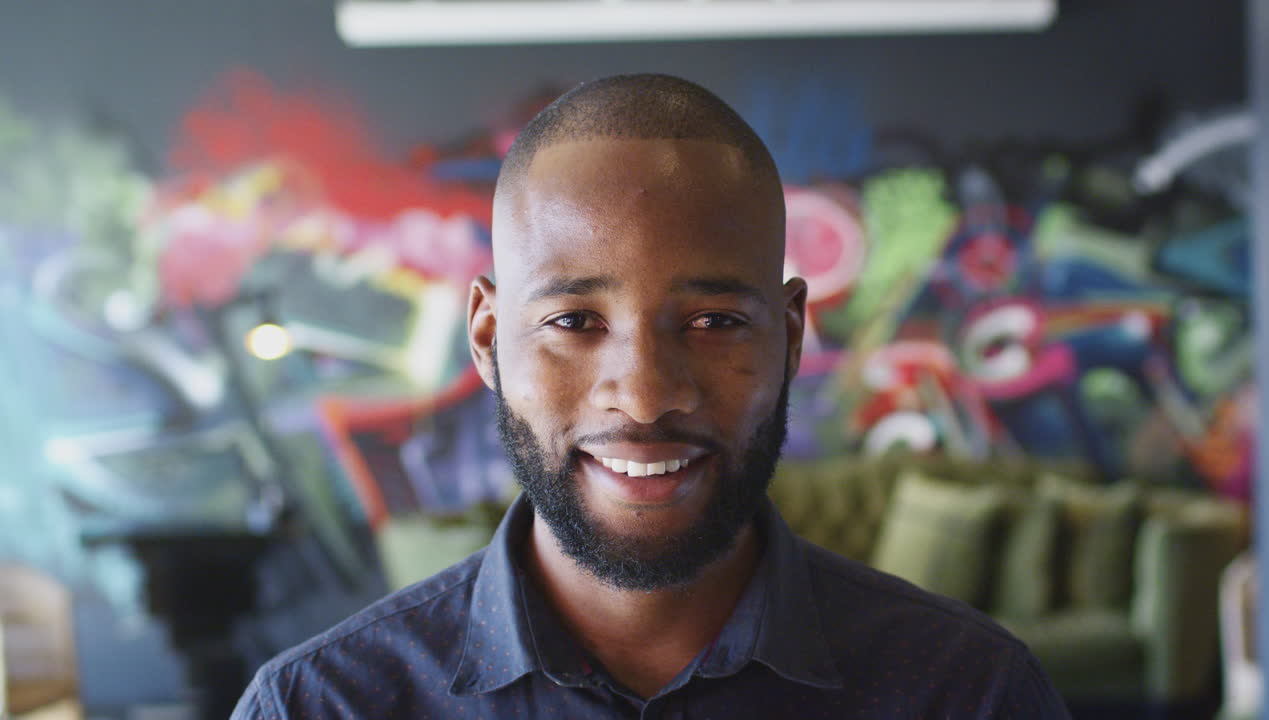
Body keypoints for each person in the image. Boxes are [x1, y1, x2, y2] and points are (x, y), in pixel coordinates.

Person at [231, 73, 1070, 719]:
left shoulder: (967, 694)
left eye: (711, 320)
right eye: (574, 319)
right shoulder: (322, 705)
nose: (641, 395)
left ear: (787, 336)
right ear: (487, 337)